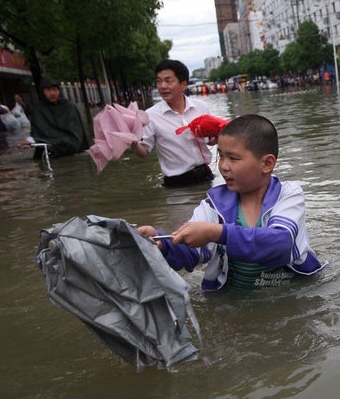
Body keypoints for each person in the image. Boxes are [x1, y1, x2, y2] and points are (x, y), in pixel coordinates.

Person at [137, 114, 327, 291]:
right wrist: (161, 243)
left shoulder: (288, 195)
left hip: (292, 294)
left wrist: (216, 233)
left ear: (267, 163)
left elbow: (280, 243)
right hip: (234, 297)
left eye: (234, 158)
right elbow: (191, 253)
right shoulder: (213, 205)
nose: (223, 166)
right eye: (221, 156)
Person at [130, 59, 215, 187]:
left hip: (206, 175)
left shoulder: (201, 108)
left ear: (183, 84)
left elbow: (210, 140)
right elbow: (144, 152)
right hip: (176, 183)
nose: (163, 86)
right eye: (159, 81)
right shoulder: (150, 115)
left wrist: (219, 136)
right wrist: (133, 142)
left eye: (168, 81)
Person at [25, 77, 89, 157]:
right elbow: (37, 134)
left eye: (54, 90)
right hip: (49, 151)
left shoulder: (68, 107)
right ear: (42, 92)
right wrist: (31, 140)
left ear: (59, 91)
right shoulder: (38, 110)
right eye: (48, 90)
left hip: (71, 147)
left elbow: (76, 132)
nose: (52, 93)